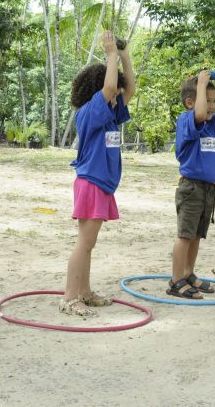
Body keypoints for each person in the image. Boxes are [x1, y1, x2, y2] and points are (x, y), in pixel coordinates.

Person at [61, 31, 135, 316]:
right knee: (85, 243)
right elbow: (110, 89)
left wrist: (125, 55)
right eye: (112, 92)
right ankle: (69, 297)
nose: (118, 96)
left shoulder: (111, 115)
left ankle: (85, 291)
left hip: (101, 185)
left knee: (89, 244)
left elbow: (129, 90)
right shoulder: (91, 111)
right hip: (91, 182)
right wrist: (110, 54)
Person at [168, 70, 215, 298]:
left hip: (209, 188)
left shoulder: (214, 124)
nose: (211, 106)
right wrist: (201, 84)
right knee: (185, 235)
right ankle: (175, 281)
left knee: (197, 235)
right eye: (206, 101)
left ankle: (188, 273)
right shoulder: (186, 119)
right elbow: (199, 113)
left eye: (214, 101)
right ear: (191, 102)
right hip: (191, 187)